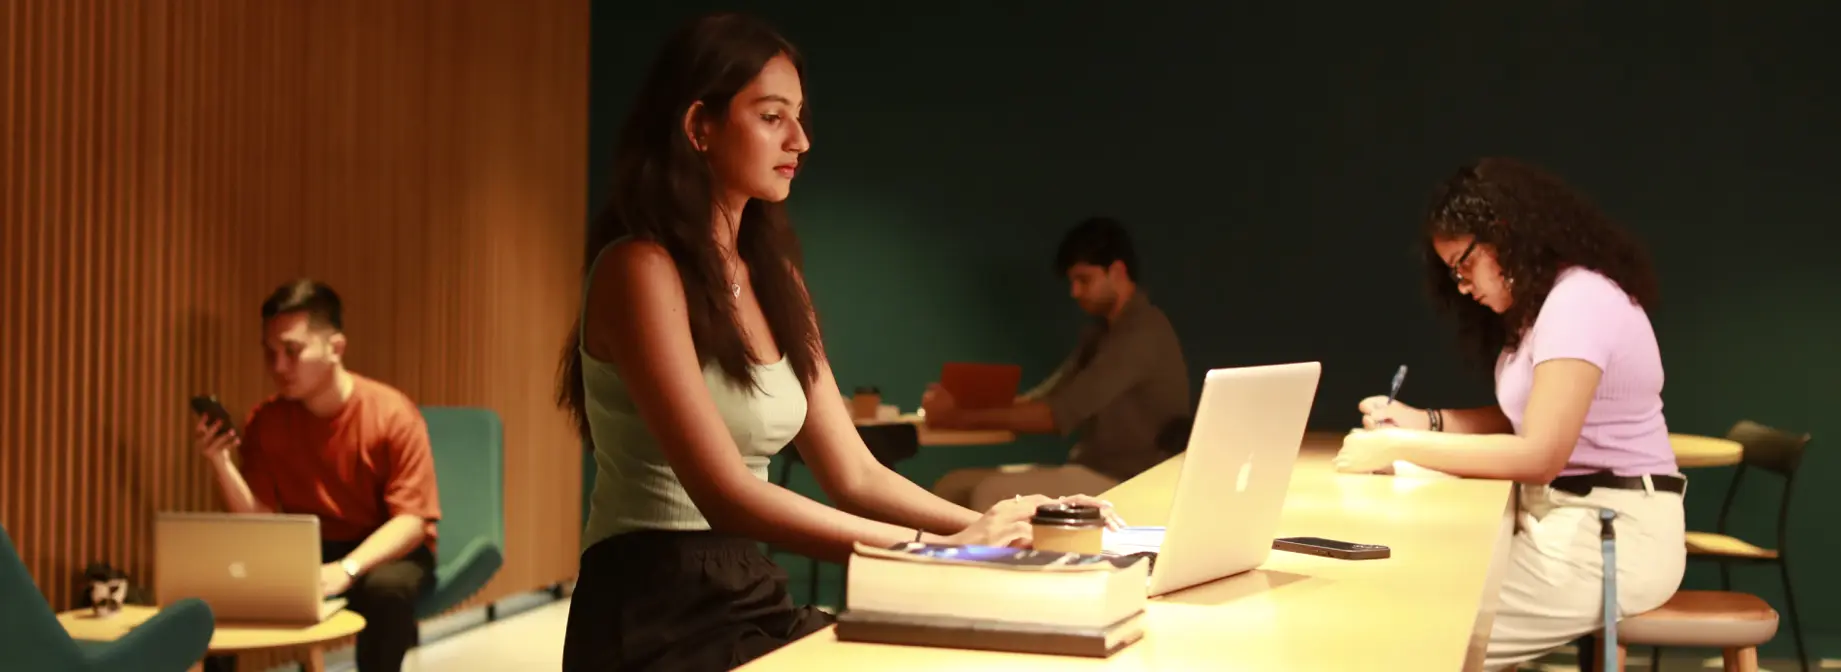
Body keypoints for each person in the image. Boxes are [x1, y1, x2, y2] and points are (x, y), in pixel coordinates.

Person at [553, 13, 1115, 671]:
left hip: (746, 589)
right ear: (698, 126)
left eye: (799, 115)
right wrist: (941, 550)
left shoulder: (777, 279)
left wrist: (995, 522)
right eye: (771, 117)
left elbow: (854, 473)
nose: (801, 139)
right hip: (652, 606)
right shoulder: (639, 270)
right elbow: (725, 494)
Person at [1333, 158, 1686, 670]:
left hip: (1611, 535)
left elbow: (1540, 453)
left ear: (1502, 235)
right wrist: (1426, 421)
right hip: (1568, 519)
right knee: (1416, 603)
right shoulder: (1547, 307)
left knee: (1425, 633)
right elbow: (1525, 418)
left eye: (1462, 264)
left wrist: (1398, 446)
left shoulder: (1578, 302)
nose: (1459, 285)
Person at [194, 279, 441, 672]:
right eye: (270, 353)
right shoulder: (268, 420)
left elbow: (412, 521)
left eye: (292, 352)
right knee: (221, 587)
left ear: (335, 348)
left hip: (384, 549)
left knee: (386, 590)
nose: (278, 367)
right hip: (307, 547)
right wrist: (221, 463)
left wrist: (347, 570)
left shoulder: (392, 413)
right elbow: (259, 521)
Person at [925, 217, 1192, 511]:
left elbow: (1058, 414)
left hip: (1127, 479)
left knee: (993, 493)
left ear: (1116, 271)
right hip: (1089, 469)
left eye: (1084, 280)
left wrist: (956, 418)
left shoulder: (1142, 333)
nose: (1074, 292)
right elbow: (1046, 396)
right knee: (952, 485)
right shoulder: (1101, 332)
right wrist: (962, 407)